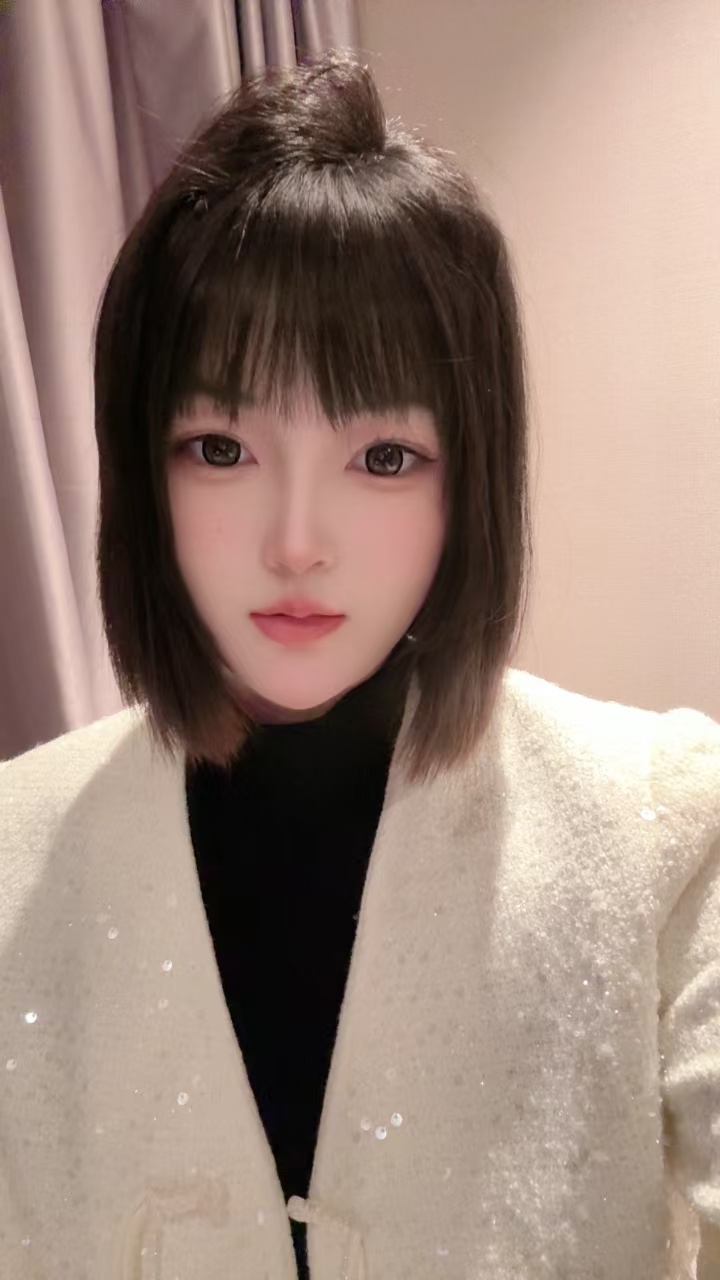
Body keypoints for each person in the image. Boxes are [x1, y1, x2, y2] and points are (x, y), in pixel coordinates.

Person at [0, 49, 718, 1280]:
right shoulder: (15, 849)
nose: (296, 542)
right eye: (219, 446)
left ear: (469, 480)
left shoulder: (662, 819)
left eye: (383, 457)